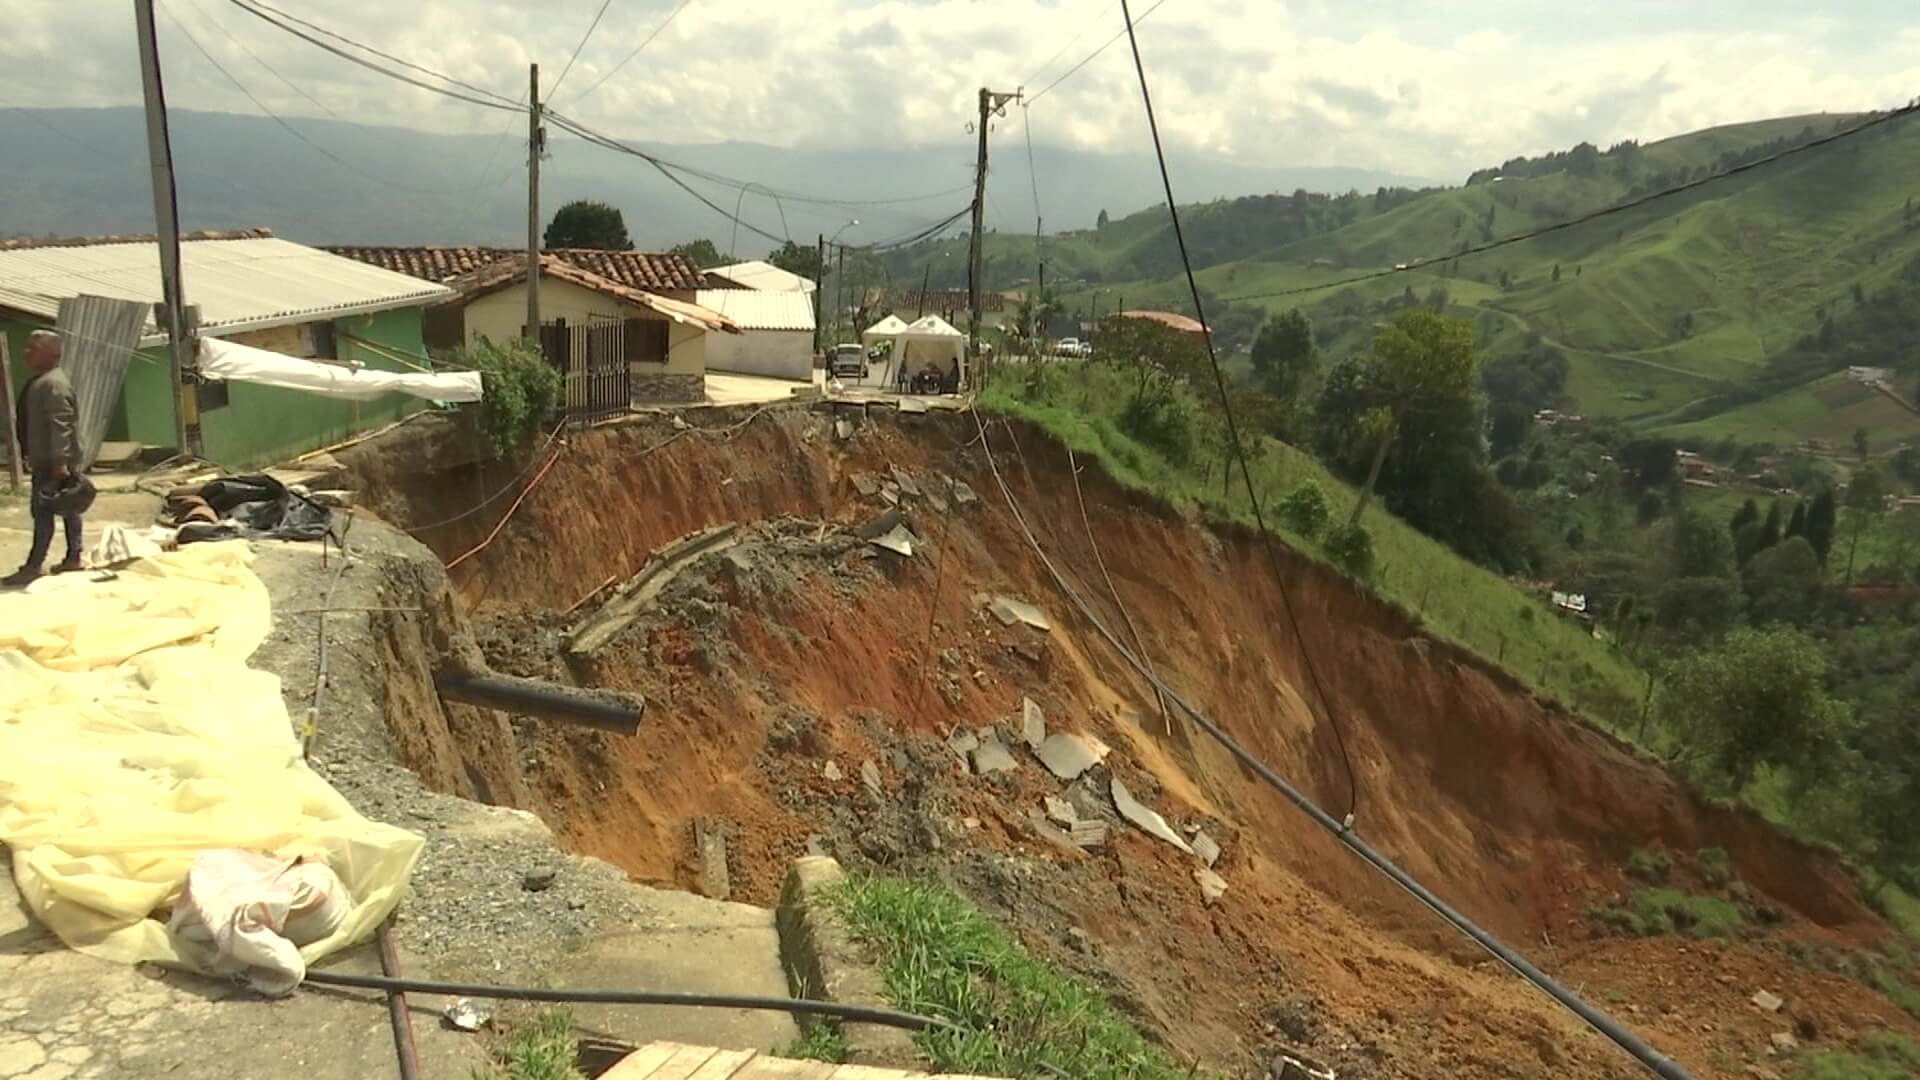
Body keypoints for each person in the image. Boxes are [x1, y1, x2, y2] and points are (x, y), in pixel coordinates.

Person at [5, 330, 86, 585]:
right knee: (67, 508)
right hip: (47, 460)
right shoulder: (42, 381)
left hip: (54, 463)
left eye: (33, 348)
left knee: (44, 512)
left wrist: (60, 461)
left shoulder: (54, 384)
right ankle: (73, 557)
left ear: (51, 353)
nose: (26, 353)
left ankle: (34, 565)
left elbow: (60, 424)